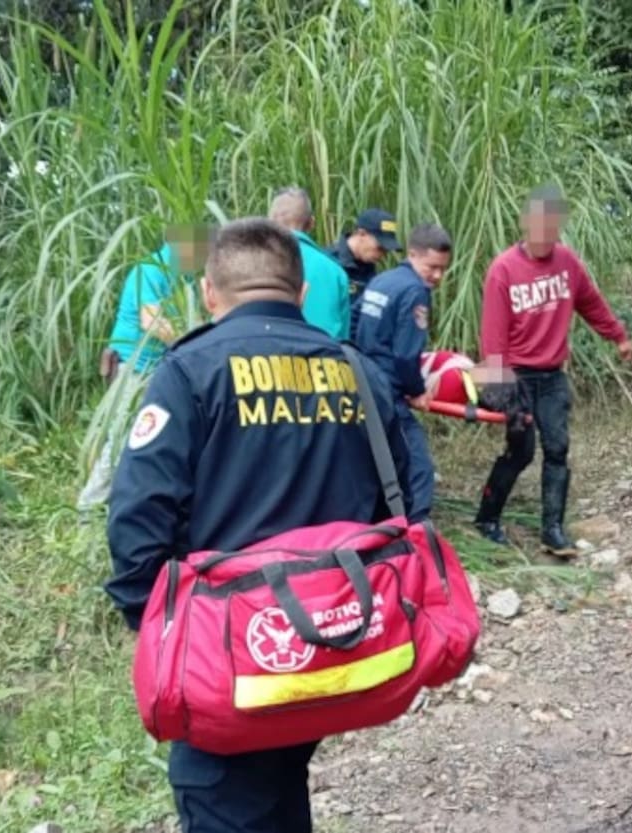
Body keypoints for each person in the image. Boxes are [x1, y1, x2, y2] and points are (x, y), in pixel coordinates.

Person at [105, 217, 411, 833]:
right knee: (279, 784)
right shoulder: (355, 370)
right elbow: (402, 501)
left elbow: (137, 517)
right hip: (329, 646)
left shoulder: (189, 372)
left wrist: (159, 625)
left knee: (223, 797)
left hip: (228, 656)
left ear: (210, 294)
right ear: (300, 295)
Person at [474, 185, 632, 555]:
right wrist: (501, 390)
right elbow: (491, 337)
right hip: (514, 374)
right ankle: (487, 518)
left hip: (551, 375)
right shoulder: (503, 270)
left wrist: (619, 336)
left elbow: (590, 302)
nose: (545, 238)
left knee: (558, 448)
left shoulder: (567, 263)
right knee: (521, 451)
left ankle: (553, 531)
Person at [77, 227, 207, 513]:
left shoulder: (185, 278)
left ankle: (140, 504)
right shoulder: (150, 270)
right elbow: (152, 322)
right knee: (123, 436)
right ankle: (89, 509)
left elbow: (195, 319)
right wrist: (193, 347)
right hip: (133, 370)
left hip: (163, 369)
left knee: (160, 438)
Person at [355, 223, 453, 522]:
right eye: (432, 267)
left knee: (376, 460)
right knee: (418, 466)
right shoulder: (414, 291)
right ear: (412, 254)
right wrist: (418, 390)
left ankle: (381, 524)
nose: (436, 276)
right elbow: (405, 354)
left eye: (442, 269)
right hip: (389, 391)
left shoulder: (381, 281)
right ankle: (417, 533)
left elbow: (354, 321)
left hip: (363, 380)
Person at [268, 186, 350, 340]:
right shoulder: (333, 271)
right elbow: (342, 340)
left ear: (268, 222)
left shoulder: (247, 262)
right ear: (311, 223)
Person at [327, 208, 400, 338]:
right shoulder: (329, 263)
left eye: (386, 251)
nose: (382, 255)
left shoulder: (371, 271)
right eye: (379, 248)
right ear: (361, 234)